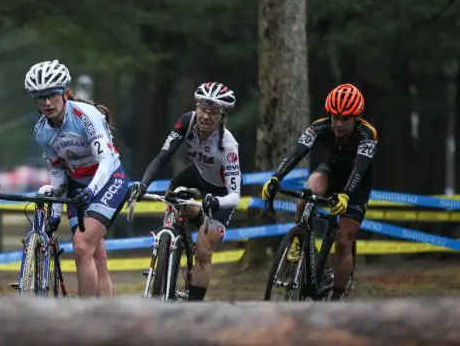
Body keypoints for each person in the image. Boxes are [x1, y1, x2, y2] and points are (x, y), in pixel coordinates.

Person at [261, 83, 378, 297]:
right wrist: (276, 177)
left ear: (356, 119)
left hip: (356, 183)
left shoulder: (367, 134)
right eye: (335, 117)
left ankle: (337, 298)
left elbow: (360, 168)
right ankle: (299, 239)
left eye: (345, 119)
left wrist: (347, 195)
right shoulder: (319, 127)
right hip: (331, 172)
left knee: (343, 241)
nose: (339, 124)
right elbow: (296, 153)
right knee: (307, 193)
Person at [24, 59, 129, 298]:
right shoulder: (42, 131)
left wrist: (91, 192)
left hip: (108, 180)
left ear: (65, 92)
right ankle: (108, 314)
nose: (47, 102)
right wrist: (55, 213)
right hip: (77, 185)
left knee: (82, 247)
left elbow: (107, 160)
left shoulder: (86, 116)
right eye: (41, 97)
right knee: (95, 254)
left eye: (52, 95)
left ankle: (86, 318)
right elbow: (58, 171)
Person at [130, 82, 242, 302]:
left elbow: (235, 195)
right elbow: (163, 157)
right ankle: (169, 246)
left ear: (222, 116)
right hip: (195, 175)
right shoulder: (186, 121)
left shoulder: (228, 146)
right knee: (172, 195)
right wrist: (143, 184)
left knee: (203, 251)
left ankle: (194, 307)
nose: (206, 116)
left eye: (214, 112)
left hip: (219, 193)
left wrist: (217, 203)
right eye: (202, 109)